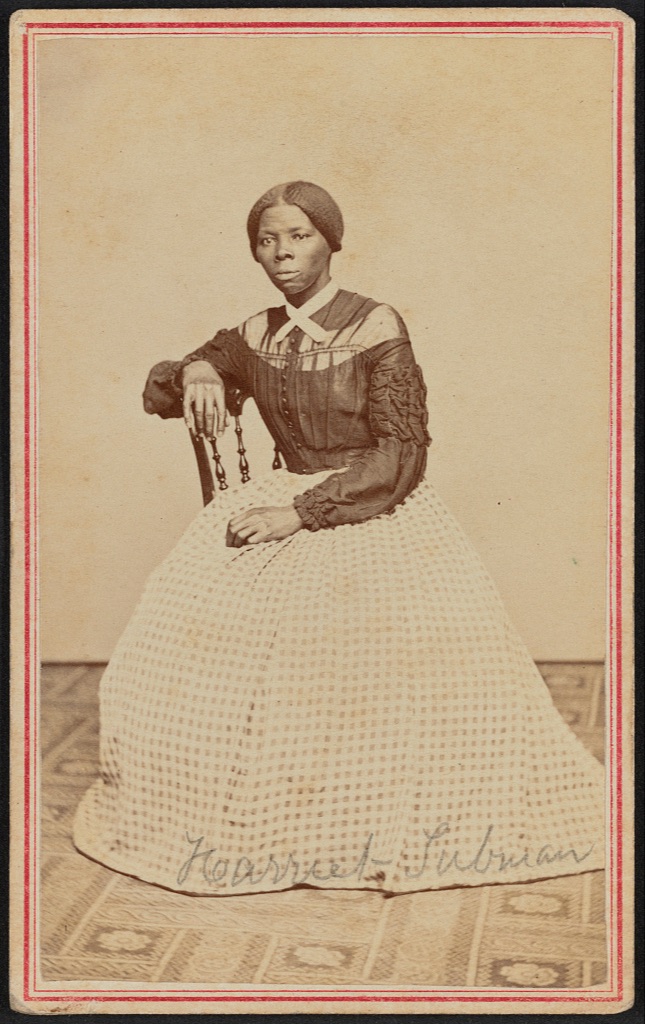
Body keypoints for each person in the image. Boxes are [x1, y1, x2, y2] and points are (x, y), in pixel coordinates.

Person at [73, 181, 604, 896]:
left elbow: (402, 453)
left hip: (369, 506)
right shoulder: (254, 332)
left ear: (330, 241)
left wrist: (302, 512)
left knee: (365, 658)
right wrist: (197, 368)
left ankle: (356, 820)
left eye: (298, 236)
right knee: (173, 644)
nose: (282, 253)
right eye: (267, 240)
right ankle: (258, 815)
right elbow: (172, 385)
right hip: (279, 496)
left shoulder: (374, 324)